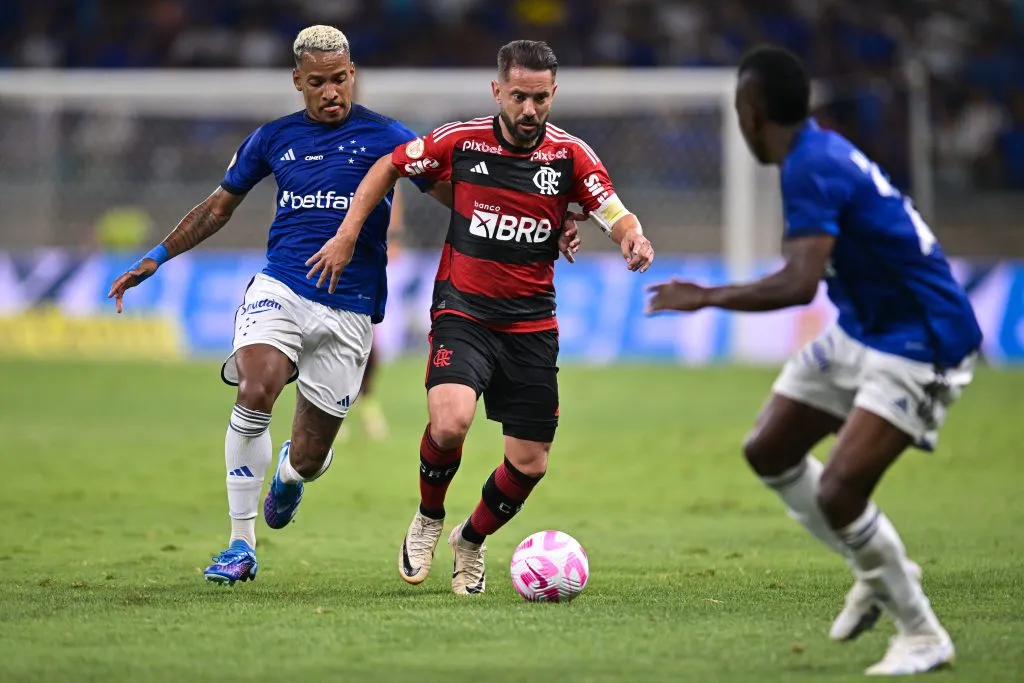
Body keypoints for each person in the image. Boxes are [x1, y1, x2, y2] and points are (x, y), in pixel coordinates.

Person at [646, 45, 981, 676]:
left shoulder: (811, 166)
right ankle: (878, 568)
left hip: (922, 338)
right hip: (864, 327)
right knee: (769, 449)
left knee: (840, 491)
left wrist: (707, 296)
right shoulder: (815, 152)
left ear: (752, 113)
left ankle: (923, 633)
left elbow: (799, 284)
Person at [106, 25, 458, 586]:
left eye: (341, 78)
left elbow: (448, 192)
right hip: (283, 288)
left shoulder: (388, 137)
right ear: (298, 81)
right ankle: (240, 544)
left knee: (312, 458)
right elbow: (219, 207)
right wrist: (157, 256)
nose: (332, 92)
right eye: (318, 82)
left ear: (352, 73)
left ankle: (292, 472)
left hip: (348, 312)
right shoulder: (273, 138)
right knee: (256, 385)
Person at [307, 39, 654, 595]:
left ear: (553, 94)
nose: (529, 110)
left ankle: (469, 539)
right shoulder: (459, 141)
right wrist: (348, 232)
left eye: (540, 98)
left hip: (532, 323)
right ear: (498, 90)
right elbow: (387, 166)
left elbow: (610, 208)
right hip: (463, 310)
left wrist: (631, 237)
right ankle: (428, 517)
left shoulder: (570, 155)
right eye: (518, 96)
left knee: (530, 462)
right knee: (449, 423)